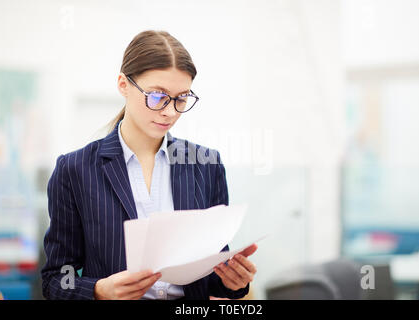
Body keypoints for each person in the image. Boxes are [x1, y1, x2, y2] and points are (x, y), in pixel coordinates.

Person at [41, 30, 258, 300]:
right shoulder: (75, 170)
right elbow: (56, 280)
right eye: (157, 96)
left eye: (181, 98)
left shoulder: (206, 166)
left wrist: (233, 282)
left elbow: (212, 275)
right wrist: (98, 291)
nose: (170, 111)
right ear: (123, 84)